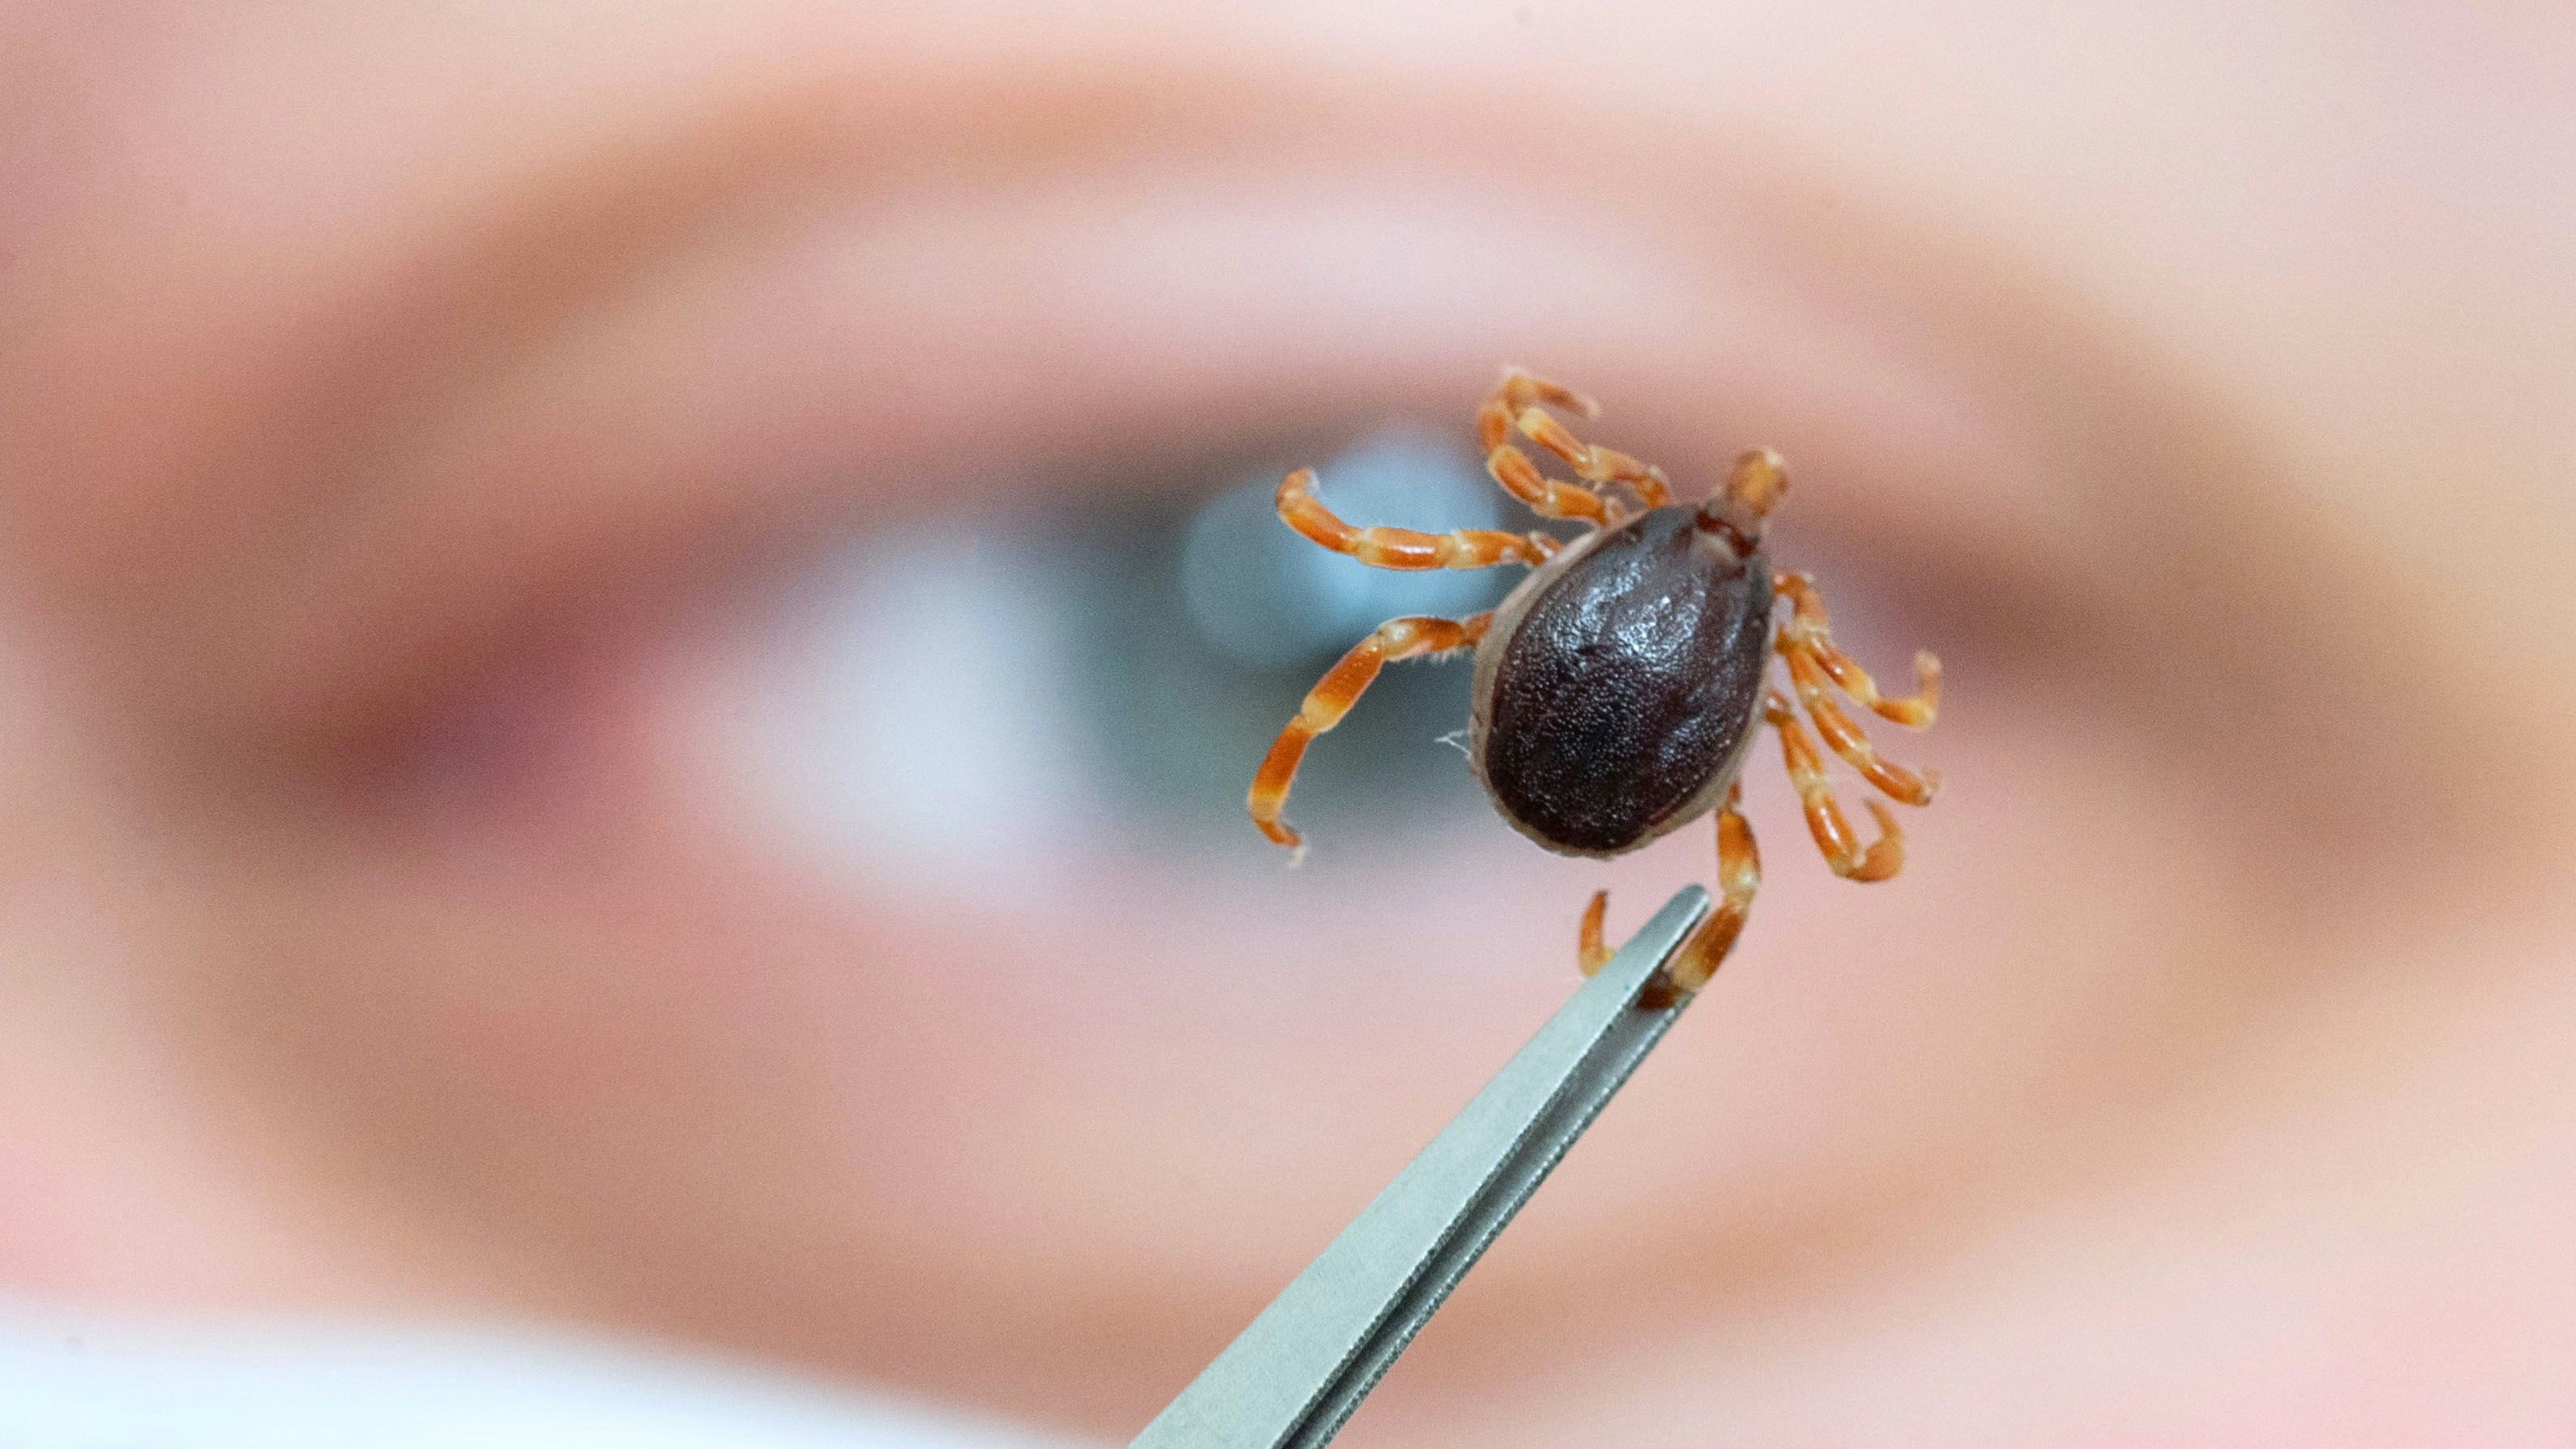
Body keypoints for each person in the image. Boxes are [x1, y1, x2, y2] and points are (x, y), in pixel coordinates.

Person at [3, 3, 2573, 1443]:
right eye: (1162, 575)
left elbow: (1391, 595)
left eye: (1141, 552)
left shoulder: (1573, 562)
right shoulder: (1734, 651)